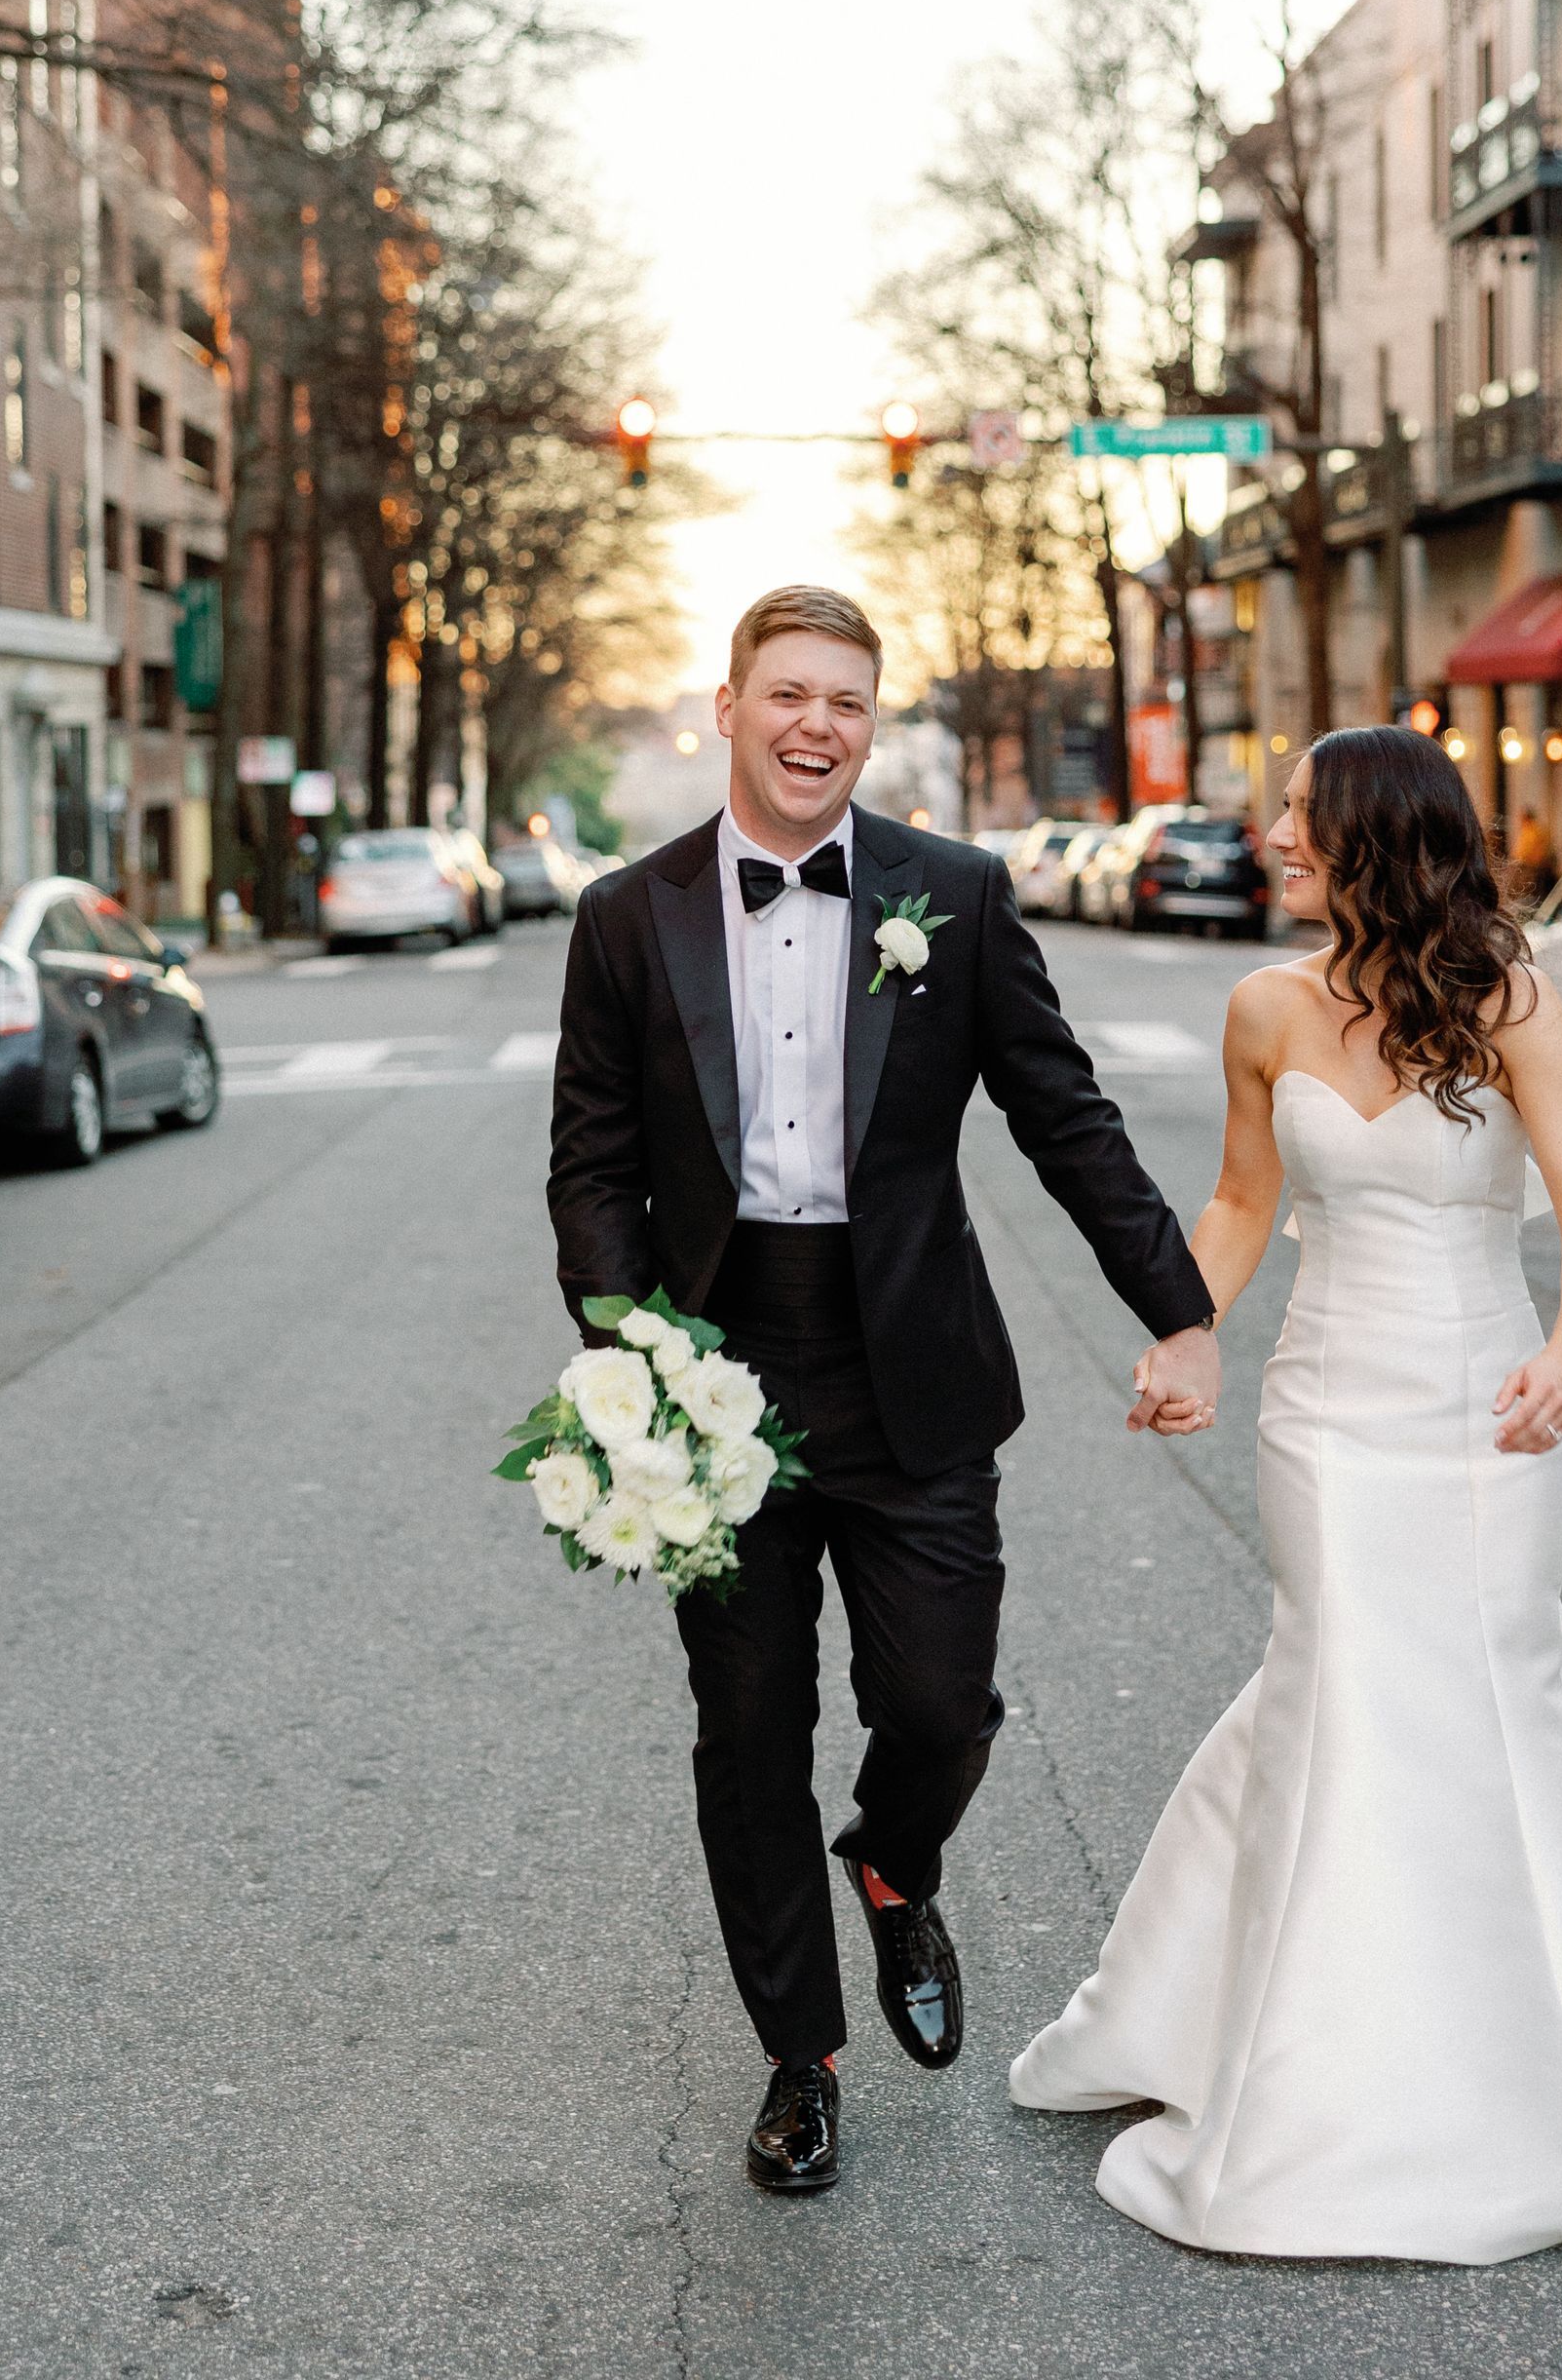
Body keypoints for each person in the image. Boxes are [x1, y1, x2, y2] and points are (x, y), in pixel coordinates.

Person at [1010, 724, 1562, 2262]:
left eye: (1300, 816)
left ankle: (1539, 2045)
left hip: (1487, 1407)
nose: (1275, 835)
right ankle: (1322, 2057)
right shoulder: (1262, 1008)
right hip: (1325, 1415)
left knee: (1496, 1694)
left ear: (1373, 836)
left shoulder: (1505, 999)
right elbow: (1241, 1201)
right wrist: (1190, 1336)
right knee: (1348, 1684)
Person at [548, 584, 1219, 2196]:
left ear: (870, 721)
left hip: (909, 1362)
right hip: (716, 1373)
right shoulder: (627, 918)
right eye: (786, 694)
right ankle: (803, 2058)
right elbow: (594, 1161)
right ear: (726, 709)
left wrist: (1180, 1311)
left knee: (937, 1702)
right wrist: (636, 1350)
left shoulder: (960, 898)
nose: (814, 726)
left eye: (845, 701)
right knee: (749, 1729)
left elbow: (1068, 1117)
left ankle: (898, 1863)